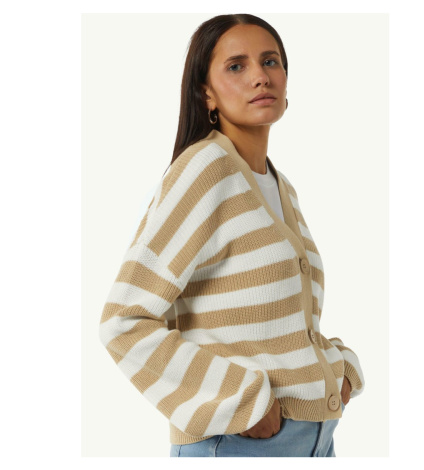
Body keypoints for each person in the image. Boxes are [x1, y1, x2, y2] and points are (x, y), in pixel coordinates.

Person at [98, 13, 365, 458]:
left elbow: (280, 326)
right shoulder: (205, 170)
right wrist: (241, 402)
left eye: (270, 61)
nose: (260, 76)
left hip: (316, 441)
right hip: (240, 442)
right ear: (206, 92)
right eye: (237, 66)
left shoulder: (281, 187)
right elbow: (123, 322)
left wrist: (338, 369)